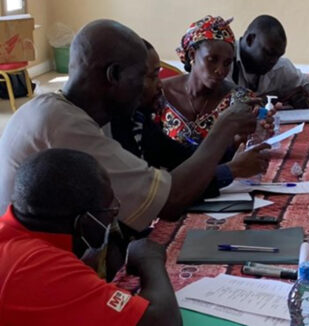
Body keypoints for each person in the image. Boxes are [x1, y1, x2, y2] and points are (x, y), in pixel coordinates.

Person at [0, 19, 260, 233]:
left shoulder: (98, 115)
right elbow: (168, 202)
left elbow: (177, 163)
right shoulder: (61, 124)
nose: (157, 86)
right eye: (144, 76)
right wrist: (222, 130)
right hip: (28, 262)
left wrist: (230, 142)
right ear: (113, 76)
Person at [0, 149, 180, 326]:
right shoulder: (37, 265)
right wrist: (150, 259)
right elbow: (162, 321)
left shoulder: (12, 236)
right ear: (83, 223)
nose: (114, 215)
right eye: (110, 210)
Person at [111, 39, 269, 193]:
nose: (160, 84)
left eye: (227, 63)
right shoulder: (112, 132)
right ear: (115, 77)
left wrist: (233, 145)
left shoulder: (138, 120)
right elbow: (163, 194)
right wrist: (232, 167)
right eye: (152, 77)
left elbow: (183, 159)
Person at [161, 15, 273, 148]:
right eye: (212, 59)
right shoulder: (160, 94)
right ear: (192, 54)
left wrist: (243, 140)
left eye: (227, 63)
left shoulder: (239, 100)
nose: (220, 70)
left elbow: (242, 154)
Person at [230, 15, 309, 108]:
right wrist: (276, 96)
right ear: (250, 40)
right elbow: (226, 106)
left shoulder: (278, 66)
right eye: (269, 53)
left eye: (278, 56)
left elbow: (308, 83)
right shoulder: (223, 60)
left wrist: (305, 97)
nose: (273, 61)